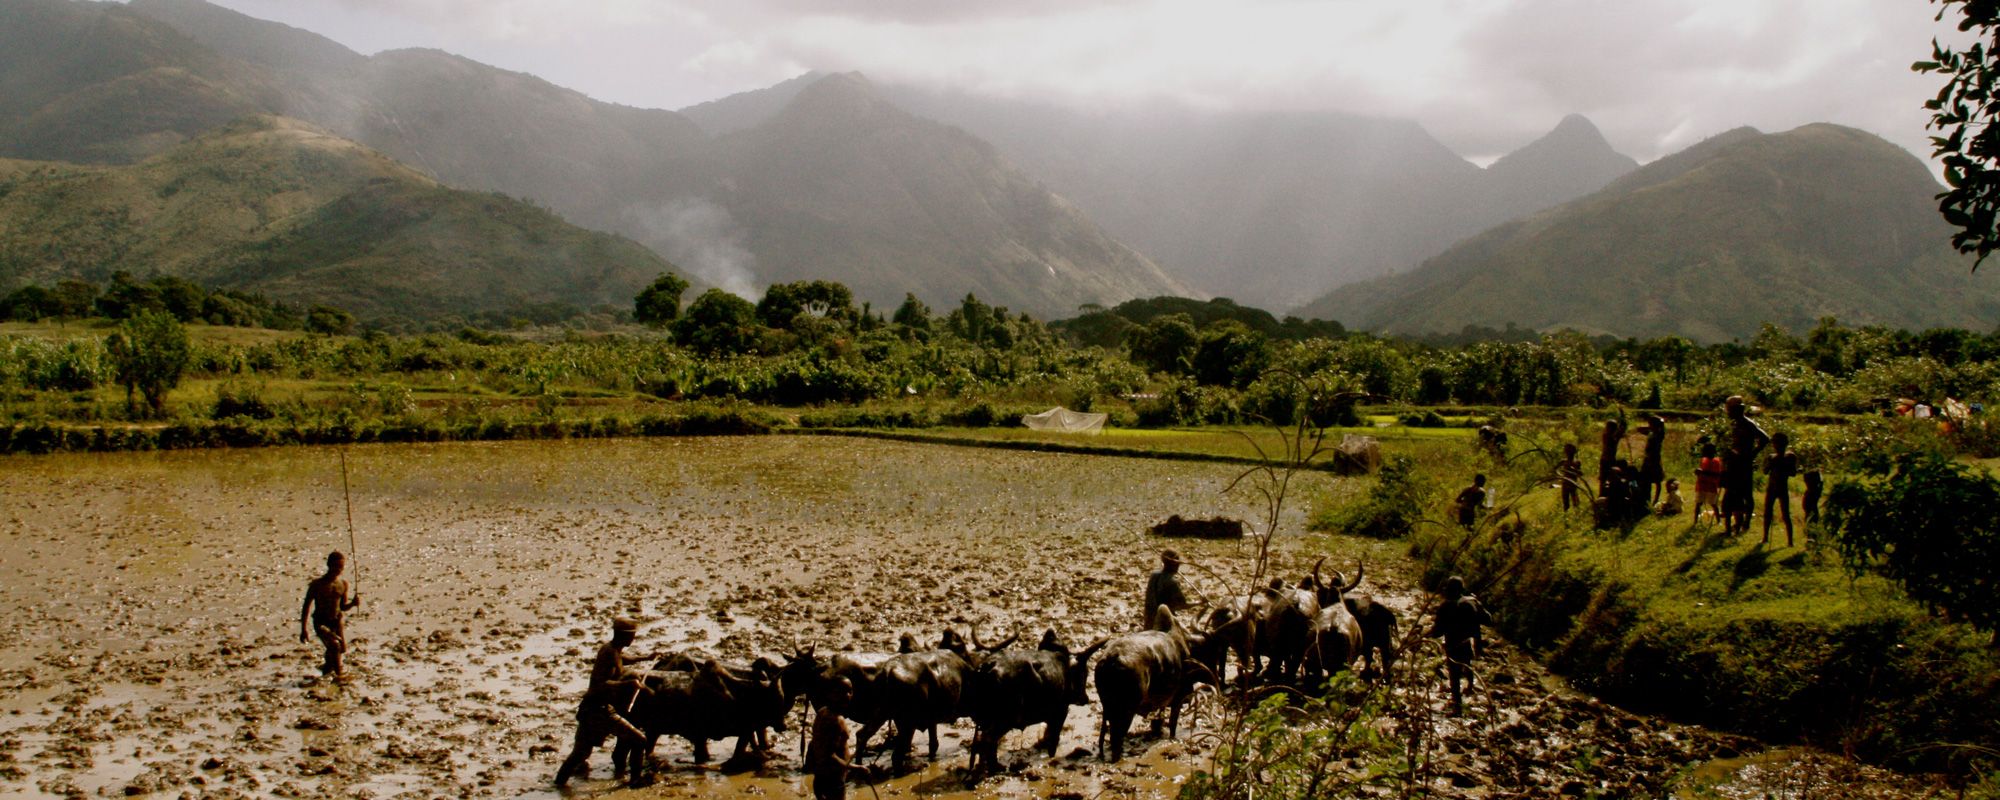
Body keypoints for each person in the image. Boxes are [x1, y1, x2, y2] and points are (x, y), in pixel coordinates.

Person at [555, 616, 657, 789]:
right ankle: (635, 780)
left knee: (580, 753)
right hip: (598, 711)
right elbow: (599, 685)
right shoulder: (607, 652)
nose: (634, 639)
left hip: (595, 709)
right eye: (633, 636)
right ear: (624, 636)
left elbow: (623, 658)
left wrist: (646, 658)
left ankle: (558, 784)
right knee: (639, 740)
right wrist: (627, 684)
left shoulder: (614, 650)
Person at [1429, 576, 1492, 716]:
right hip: (1470, 642)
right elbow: (1489, 620)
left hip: (1453, 645)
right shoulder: (1471, 603)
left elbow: (1437, 632)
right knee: (1467, 663)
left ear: (1448, 590)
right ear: (1462, 589)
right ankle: (1470, 687)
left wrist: (1427, 634)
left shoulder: (1445, 606)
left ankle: (1457, 707)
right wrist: (1478, 605)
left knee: (1454, 676)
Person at [299, 551, 361, 678]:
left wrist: (353, 604)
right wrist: (303, 629)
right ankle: (339, 675)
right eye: (335, 566)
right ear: (328, 565)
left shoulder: (343, 584)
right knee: (335, 645)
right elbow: (306, 607)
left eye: (341, 567)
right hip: (321, 622)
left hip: (336, 622)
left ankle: (327, 668)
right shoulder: (317, 585)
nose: (338, 570)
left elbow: (343, 607)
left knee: (341, 648)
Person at [1722, 396, 1770, 536]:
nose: (1728, 412)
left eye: (1729, 409)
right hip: (1735, 462)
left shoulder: (1748, 423)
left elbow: (1765, 438)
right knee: (1733, 492)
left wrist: (1752, 454)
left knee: (1746, 493)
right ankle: (1737, 520)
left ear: (1737, 409)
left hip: (1744, 463)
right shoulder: (1736, 423)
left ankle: (1746, 521)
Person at [806, 677, 854, 800]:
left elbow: (814, 744)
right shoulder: (837, 721)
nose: (847, 695)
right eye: (841, 692)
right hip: (834, 780)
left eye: (850, 691)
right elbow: (830, 756)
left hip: (820, 778)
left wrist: (810, 766)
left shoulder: (822, 712)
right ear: (830, 694)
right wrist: (857, 768)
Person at [1763, 432, 1799, 547]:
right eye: (1776, 443)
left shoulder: (1790, 456)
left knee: (1785, 514)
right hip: (1772, 487)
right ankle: (1765, 537)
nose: (1777, 446)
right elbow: (1765, 471)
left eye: (1779, 444)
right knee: (1767, 512)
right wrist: (1770, 464)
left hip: (1782, 487)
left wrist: (1781, 464)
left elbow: (1793, 473)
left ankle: (1790, 541)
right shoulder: (1771, 457)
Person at [1143, 550, 1193, 629]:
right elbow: (1182, 605)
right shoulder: (1172, 581)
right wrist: (1200, 603)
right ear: (1175, 564)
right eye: (1178, 564)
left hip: (1149, 620)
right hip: (1164, 623)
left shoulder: (1154, 575)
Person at [1637, 415, 1667, 506]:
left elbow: (1662, 422)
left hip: (1654, 458)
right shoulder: (1652, 432)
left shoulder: (1659, 434)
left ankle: (1656, 499)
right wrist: (1650, 427)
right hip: (1648, 458)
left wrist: (1655, 425)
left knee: (1657, 480)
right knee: (1646, 479)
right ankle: (1646, 498)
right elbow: (1639, 429)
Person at [1693, 442, 1725, 523]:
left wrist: (1702, 472)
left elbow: (1716, 474)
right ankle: (1695, 521)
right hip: (1701, 485)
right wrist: (1698, 472)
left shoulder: (1716, 461)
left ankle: (1718, 521)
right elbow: (1702, 470)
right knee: (1698, 503)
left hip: (1711, 486)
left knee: (1713, 504)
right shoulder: (1703, 460)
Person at [1597, 418, 1626, 495]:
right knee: (1604, 479)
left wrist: (1623, 424)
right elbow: (1619, 433)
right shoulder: (1607, 436)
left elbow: (1620, 433)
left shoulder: (1610, 436)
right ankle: (1602, 495)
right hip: (1606, 460)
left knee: (1608, 479)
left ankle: (1607, 494)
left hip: (1609, 460)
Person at [1556, 443, 1584, 513]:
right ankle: (1566, 517)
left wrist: (1573, 470)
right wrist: (1560, 475)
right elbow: (1554, 468)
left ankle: (1578, 515)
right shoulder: (1563, 461)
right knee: (1566, 503)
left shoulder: (1577, 462)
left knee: (1575, 502)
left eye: (1569, 452)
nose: (1568, 453)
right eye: (1567, 452)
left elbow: (1580, 473)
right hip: (1565, 484)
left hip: (1573, 484)